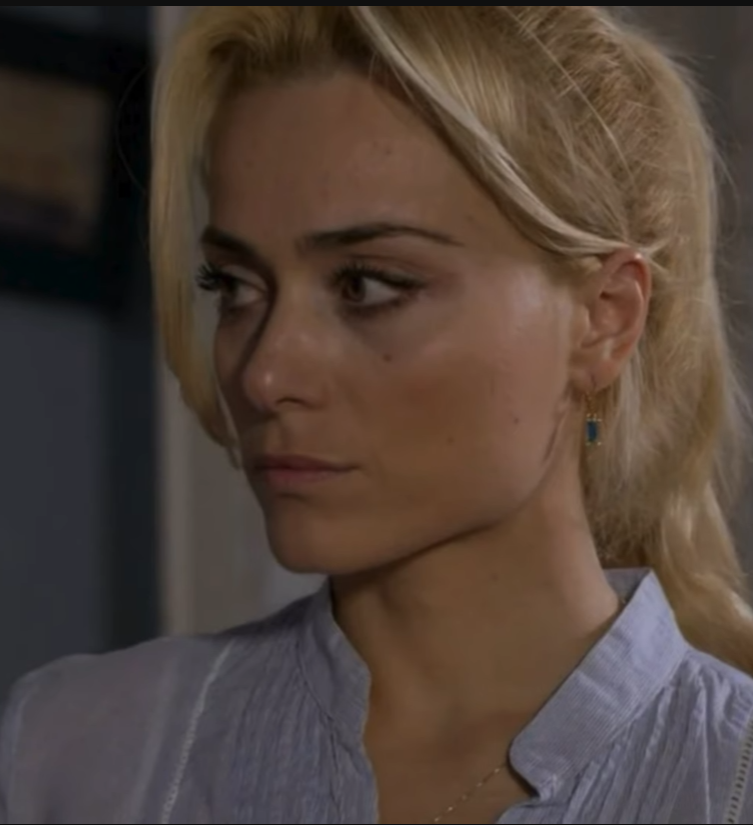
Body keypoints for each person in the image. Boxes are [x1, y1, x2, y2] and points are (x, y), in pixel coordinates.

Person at [2, 5, 753, 823]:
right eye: (236, 286)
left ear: (603, 318)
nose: (264, 373)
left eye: (366, 285)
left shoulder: (724, 776)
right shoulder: (72, 752)